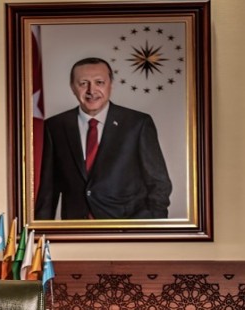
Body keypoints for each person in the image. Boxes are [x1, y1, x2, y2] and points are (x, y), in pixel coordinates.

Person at [35, 57, 172, 220]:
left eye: (99, 82)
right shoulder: (55, 126)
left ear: (110, 85)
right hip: (76, 228)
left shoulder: (137, 124)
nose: (91, 90)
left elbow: (159, 184)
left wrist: (149, 227)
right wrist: (41, 231)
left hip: (127, 227)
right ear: (72, 87)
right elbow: (48, 190)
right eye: (83, 83)